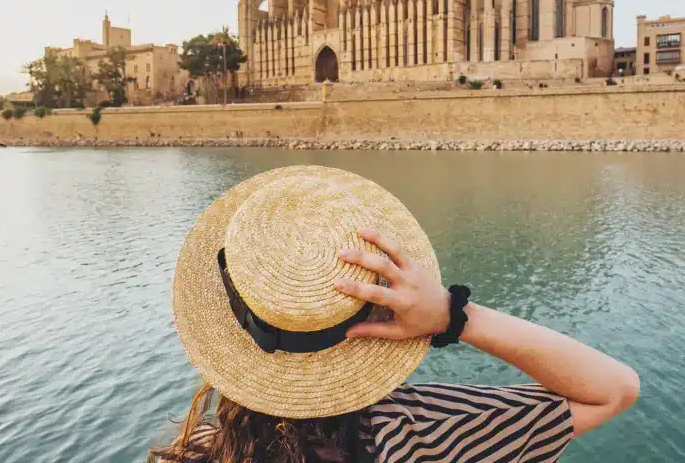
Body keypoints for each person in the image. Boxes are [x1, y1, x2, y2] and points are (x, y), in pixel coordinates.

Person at [153, 166, 638, 462]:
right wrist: (453, 315)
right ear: (379, 304)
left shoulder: (194, 451)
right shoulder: (417, 430)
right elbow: (613, 391)